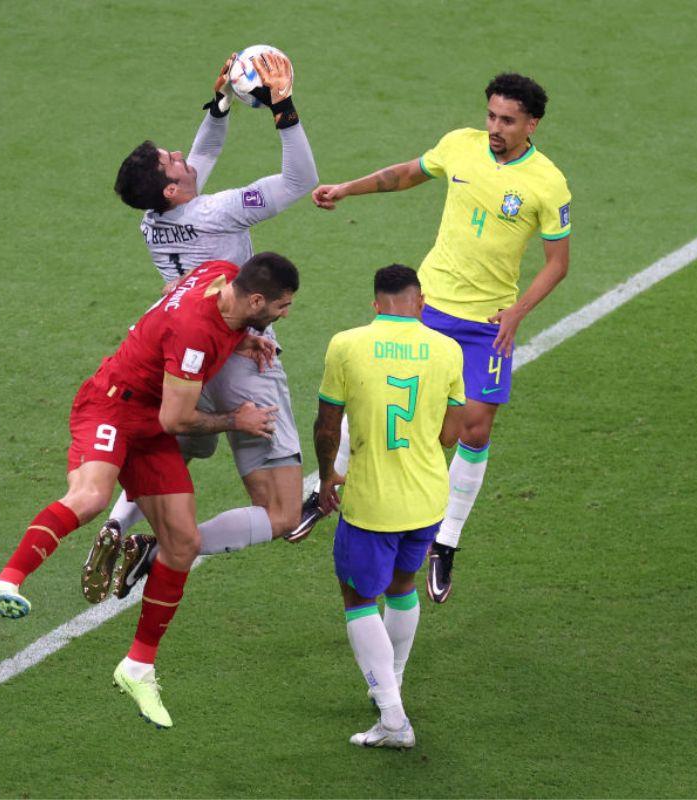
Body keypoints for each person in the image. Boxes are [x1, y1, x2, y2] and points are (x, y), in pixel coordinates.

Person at [0, 253, 300, 729]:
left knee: (183, 543)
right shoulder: (194, 333)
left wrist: (244, 338)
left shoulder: (221, 272)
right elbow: (176, 420)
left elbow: (178, 289)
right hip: (110, 408)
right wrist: (236, 419)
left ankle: (138, 666)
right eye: (281, 306)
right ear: (254, 298)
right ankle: (5, 582)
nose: (284, 314)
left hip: (147, 421)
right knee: (91, 497)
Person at [311, 72, 571, 603]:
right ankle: (326, 488)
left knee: (468, 432)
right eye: (491, 116)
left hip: (485, 326)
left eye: (507, 120)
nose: (495, 127)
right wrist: (347, 188)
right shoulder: (460, 146)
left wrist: (517, 312)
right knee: (381, 398)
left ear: (532, 124)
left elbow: (558, 263)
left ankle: (445, 539)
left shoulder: (548, 183)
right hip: (425, 307)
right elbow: (407, 173)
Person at [85, 50, 321, 604]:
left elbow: (202, 154)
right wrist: (282, 106)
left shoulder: (154, 221)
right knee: (283, 512)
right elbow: (301, 178)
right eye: (171, 160)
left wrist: (219, 107)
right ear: (173, 188)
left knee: (185, 445)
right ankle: (168, 546)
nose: (179, 154)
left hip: (182, 362)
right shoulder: (220, 212)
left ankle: (118, 521)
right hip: (241, 357)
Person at [314, 264, 465, 749]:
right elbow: (450, 435)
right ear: (420, 302)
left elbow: (326, 426)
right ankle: (392, 682)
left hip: (371, 501)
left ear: (376, 303)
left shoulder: (347, 344)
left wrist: (325, 479)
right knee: (402, 588)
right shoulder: (448, 349)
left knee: (358, 598)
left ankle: (393, 719)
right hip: (428, 498)